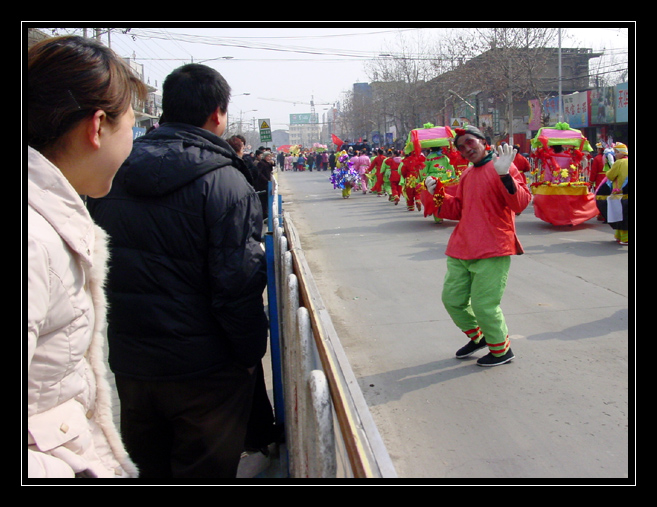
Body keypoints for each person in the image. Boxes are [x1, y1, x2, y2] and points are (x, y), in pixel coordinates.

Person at [87, 63, 270, 478]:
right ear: (218, 114)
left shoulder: (110, 175)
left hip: (133, 366)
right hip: (205, 373)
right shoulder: (226, 184)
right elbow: (237, 287)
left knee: (148, 468)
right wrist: (248, 353)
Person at [27, 35, 147, 478]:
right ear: (98, 127)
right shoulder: (36, 243)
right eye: (131, 124)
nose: (133, 139)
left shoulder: (52, 222)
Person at [423, 126, 531, 367]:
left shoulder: (504, 166)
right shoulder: (467, 174)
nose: (466, 149)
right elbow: (457, 209)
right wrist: (437, 194)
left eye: (470, 142)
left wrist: (505, 175)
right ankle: (479, 337)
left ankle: (502, 350)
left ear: (484, 142)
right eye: (460, 147)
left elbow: (521, 203)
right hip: (462, 247)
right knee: (452, 300)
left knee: (484, 305)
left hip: (493, 246)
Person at [603, 142, 629, 245]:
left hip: (620, 194)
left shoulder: (619, 163)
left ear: (621, 153)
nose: (615, 154)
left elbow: (610, 175)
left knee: (621, 216)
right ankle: (619, 236)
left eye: (616, 152)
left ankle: (624, 238)